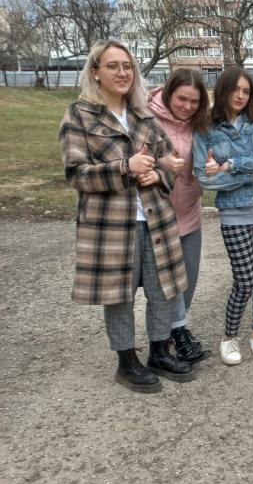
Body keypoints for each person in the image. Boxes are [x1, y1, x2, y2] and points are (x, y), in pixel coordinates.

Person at [59, 40, 191, 393]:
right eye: (113, 65)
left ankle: (160, 351)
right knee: (119, 294)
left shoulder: (143, 116)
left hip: (156, 218)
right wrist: (124, 168)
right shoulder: (80, 115)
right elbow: (76, 174)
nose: (122, 72)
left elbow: (170, 161)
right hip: (111, 225)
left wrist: (158, 174)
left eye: (127, 66)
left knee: (164, 289)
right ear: (96, 72)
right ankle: (126, 360)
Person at [192, 67, 253, 366]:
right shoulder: (206, 130)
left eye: (246, 91)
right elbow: (205, 179)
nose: (241, 96)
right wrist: (250, 173)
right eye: (236, 90)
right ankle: (229, 337)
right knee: (244, 280)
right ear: (223, 90)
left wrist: (231, 164)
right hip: (235, 214)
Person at [148, 68, 210, 362]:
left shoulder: (200, 125)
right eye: (181, 99)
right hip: (159, 214)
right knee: (166, 282)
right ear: (168, 93)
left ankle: (177, 328)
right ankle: (175, 332)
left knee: (189, 276)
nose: (187, 106)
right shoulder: (148, 118)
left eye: (194, 102)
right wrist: (161, 164)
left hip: (190, 211)